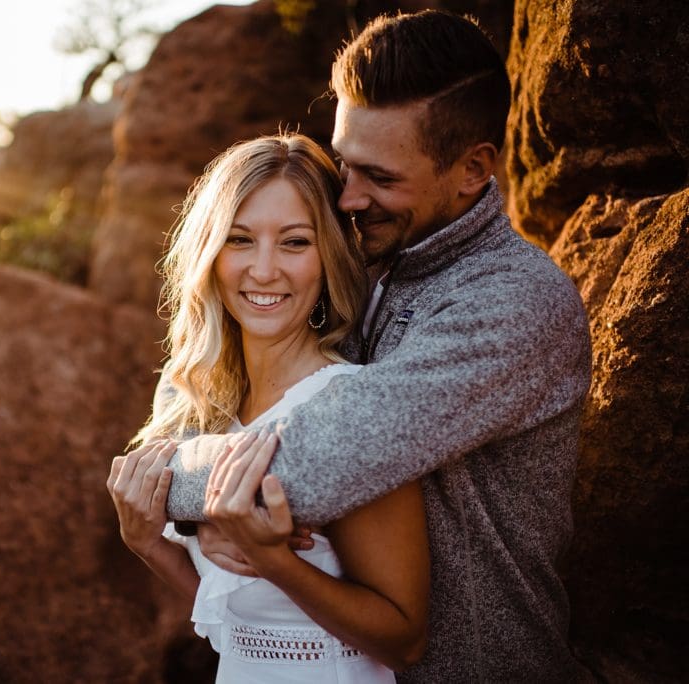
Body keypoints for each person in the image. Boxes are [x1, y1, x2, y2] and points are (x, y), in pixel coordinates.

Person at [158, 10, 593, 683]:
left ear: (474, 168)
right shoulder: (359, 265)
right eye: (344, 165)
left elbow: (318, 462)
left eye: (381, 178)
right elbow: (215, 369)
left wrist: (171, 490)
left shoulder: (514, 304)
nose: (350, 200)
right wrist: (196, 503)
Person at [107, 133, 430, 682]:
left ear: (329, 257)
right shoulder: (205, 411)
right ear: (209, 254)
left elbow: (404, 640)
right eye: (240, 240)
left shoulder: (347, 407)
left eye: (295, 242)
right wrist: (145, 544)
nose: (263, 270)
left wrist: (273, 560)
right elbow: (239, 627)